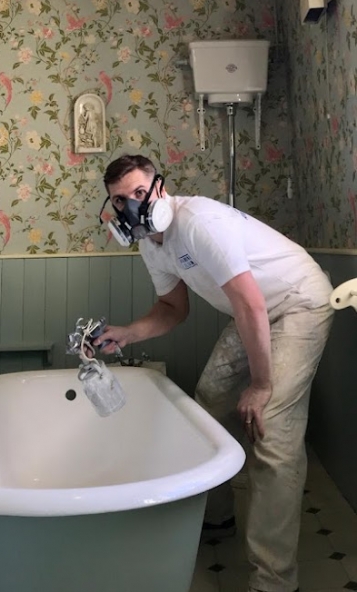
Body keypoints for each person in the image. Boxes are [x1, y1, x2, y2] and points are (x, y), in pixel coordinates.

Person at [95, 154, 334, 592]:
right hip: (253, 312)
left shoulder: (199, 222)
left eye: (139, 192)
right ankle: (218, 515)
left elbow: (250, 303)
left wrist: (261, 386)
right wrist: (128, 333)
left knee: (271, 426)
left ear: (160, 188)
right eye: (120, 200)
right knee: (209, 402)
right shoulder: (152, 244)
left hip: (297, 301)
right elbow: (172, 308)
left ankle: (274, 580)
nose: (131, 206)